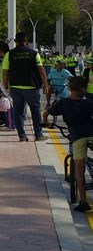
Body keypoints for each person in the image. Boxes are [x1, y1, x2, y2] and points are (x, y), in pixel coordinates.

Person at [46, 77, 93, 211]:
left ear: (70, 89)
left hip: (78, 137)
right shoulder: (88, 103)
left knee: (79, 167)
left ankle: (83, 202)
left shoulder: (63, 103)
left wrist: (47, 123)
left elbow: (46, 113)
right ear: (83, 89)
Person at [2, 32, 49, 142]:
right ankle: (38, 134)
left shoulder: (10, 54)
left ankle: (22, 136)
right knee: (35, 110)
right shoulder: (33, 53)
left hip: (15, 86)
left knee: (18, 112)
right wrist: (45, 84)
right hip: (32, 87)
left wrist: (5, 86)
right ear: (26, 40)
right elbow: (41, 70)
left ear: (15, 41)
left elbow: (5, 71)